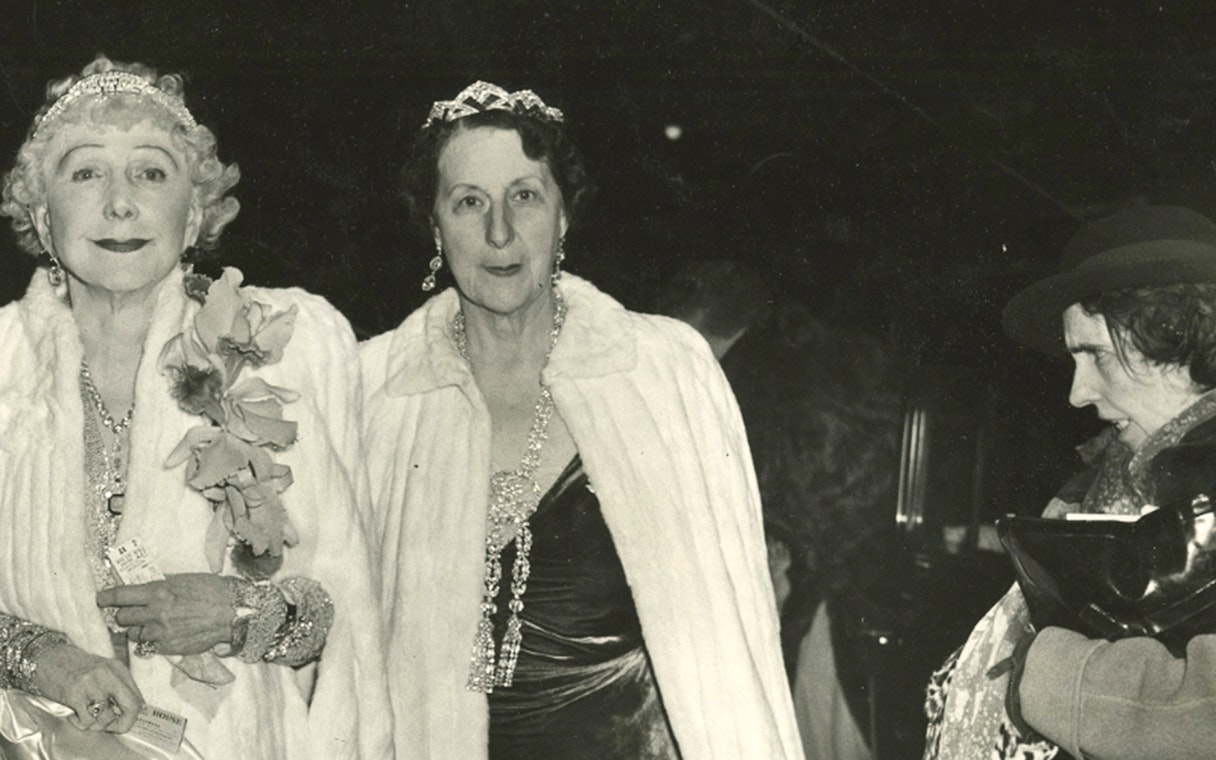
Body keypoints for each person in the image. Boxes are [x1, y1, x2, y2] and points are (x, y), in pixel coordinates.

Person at [360, 81, 803, 758]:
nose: (499, 231)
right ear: (433, 224)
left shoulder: (662, 373)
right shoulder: (373, 393)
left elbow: (731, 647)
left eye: (525, 196)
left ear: (564, 217)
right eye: (469, 201)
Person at [0, 56, 391, 758]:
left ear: (194, 215)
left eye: (151, 173)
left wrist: (238, 613)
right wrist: (41, 658)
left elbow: (348, 612)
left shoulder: (283, 348)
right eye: (85, 173)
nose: (120, 203)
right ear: (39, 212)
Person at [924, 204, 1216, 760]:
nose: (1077, 393)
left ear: (1175, 339)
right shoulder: (1102, 482)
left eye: (1095, 355)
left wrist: (1042, 677)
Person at [658, 259, 905, 760]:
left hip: (831, 614)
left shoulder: (772, 383)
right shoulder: (819, 360)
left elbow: (817, 501)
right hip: (848, 601)